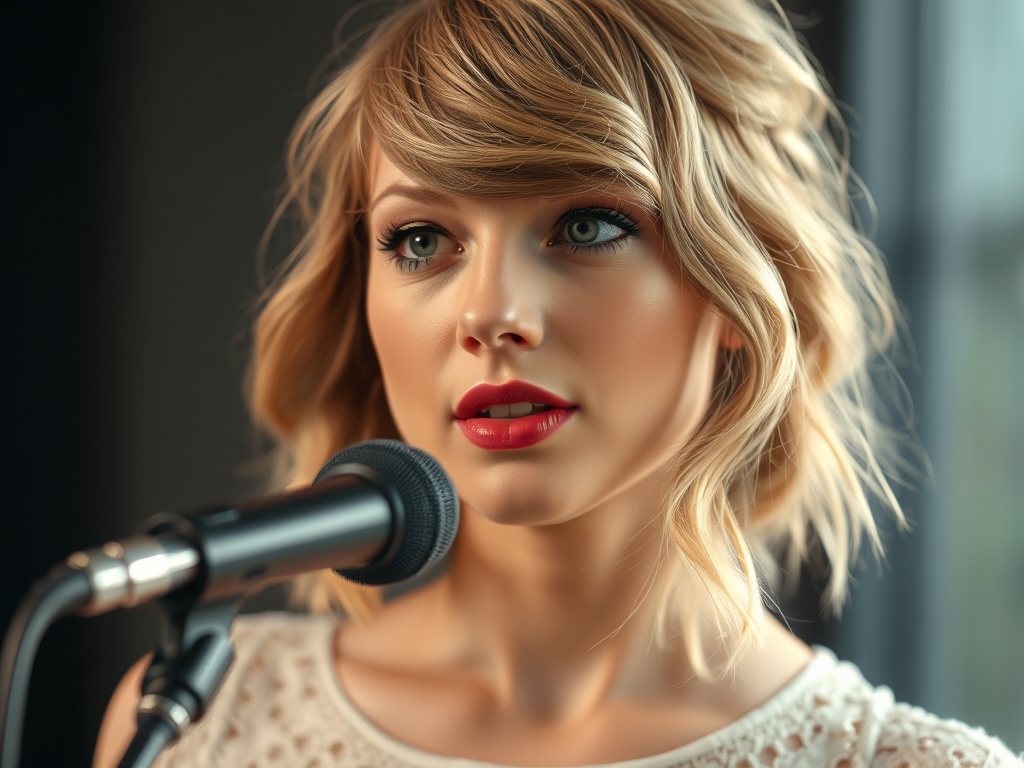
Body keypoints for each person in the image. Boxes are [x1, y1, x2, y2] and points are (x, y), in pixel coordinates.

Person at [94, 0, 1022, 766]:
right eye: (422, 240)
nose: (490, 313)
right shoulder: (199, 722)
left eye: (586, 225)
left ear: (743, 283)